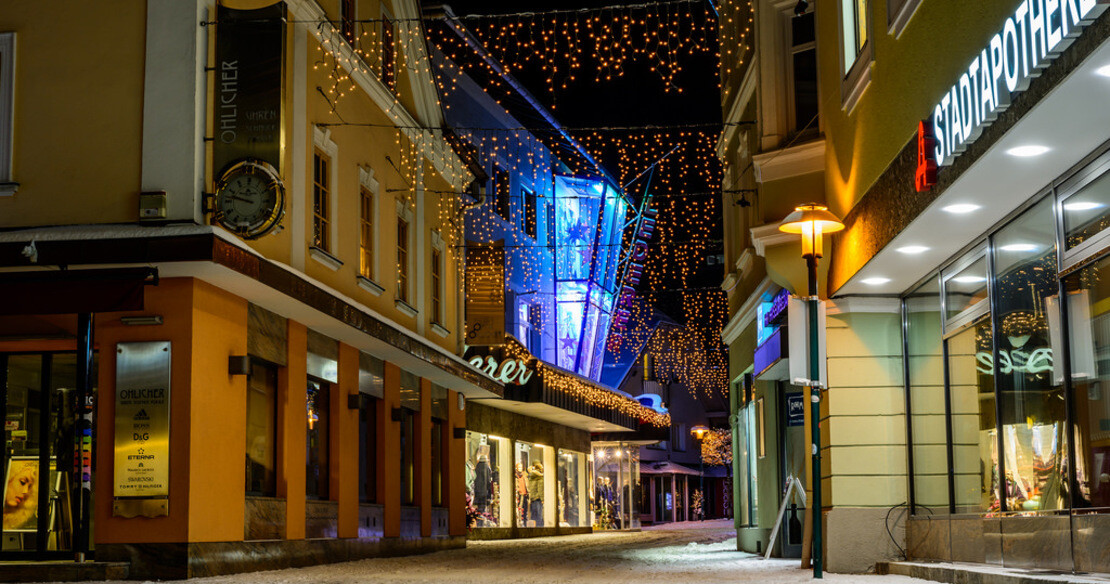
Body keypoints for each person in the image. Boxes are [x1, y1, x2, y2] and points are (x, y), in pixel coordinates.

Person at [3, 462, 38, 530]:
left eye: (29, 487)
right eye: (22, 482)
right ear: (8, 477)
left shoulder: (16, 524)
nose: (25, 491)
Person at [527, 461, 544, 527]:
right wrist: (542, 499)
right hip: (538, 498)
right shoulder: (540, 477)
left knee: (534, 515)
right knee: (539, 516)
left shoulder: (531, 476)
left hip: (532, 498)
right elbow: (540, 489)